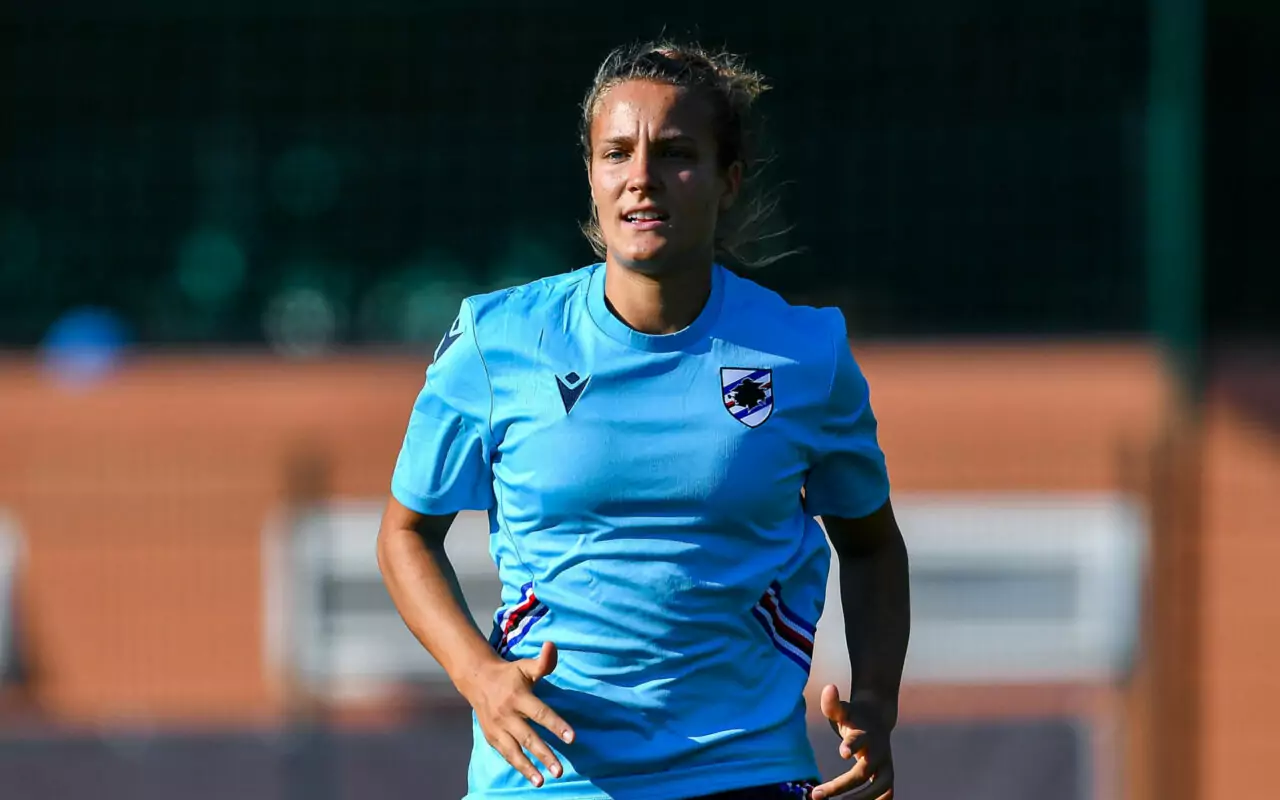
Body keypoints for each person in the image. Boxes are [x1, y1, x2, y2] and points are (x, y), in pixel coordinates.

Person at [377, 39, 910, 800]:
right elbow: (405, 534)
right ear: (591, 176)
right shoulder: (497, 341)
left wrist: (878, 702)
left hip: (744, 772)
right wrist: (479, 675)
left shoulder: (806, 353)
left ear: (729, 180)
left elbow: (870, 545)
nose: (642, 178)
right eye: (617, 153)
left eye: (676, 154)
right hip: (548, 777)